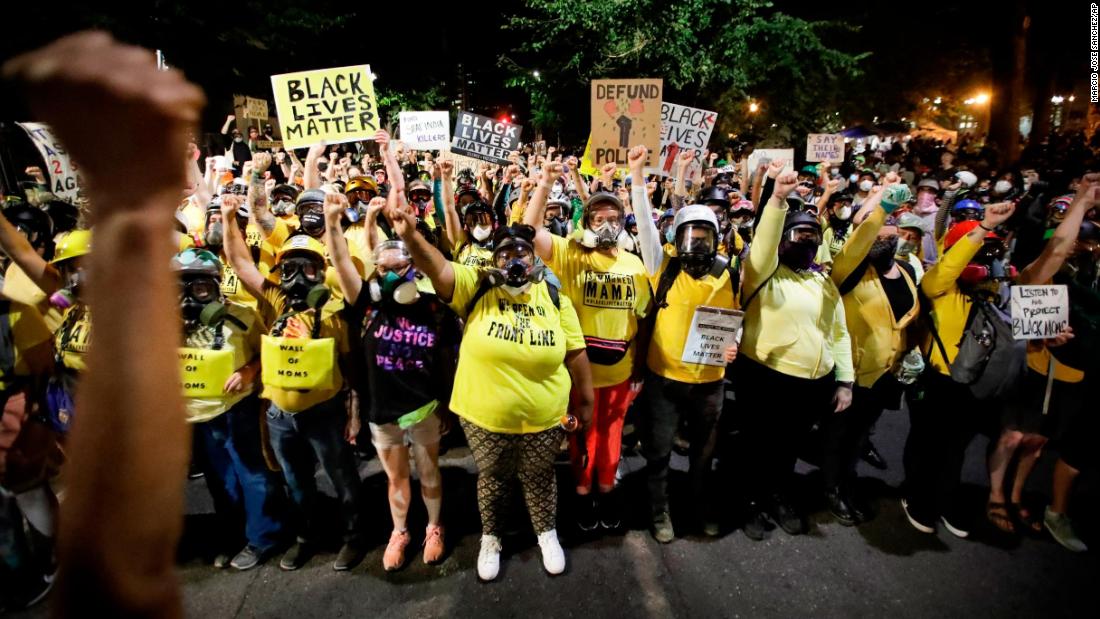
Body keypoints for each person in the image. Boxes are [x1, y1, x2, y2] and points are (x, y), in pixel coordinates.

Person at [3, 31, 206, 615]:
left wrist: (132, 203)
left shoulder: (117, 309)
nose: (78, 274)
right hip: (66, 409)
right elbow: (24, 257)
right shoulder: (65, 296)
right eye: (73, 268)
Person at [386, 192, 593, 581]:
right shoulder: (476, 286)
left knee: (539, 476)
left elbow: (576, 353)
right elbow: (439, 268)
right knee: (493, 479)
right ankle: (492, 537)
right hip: (485, 417)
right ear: (493, 262)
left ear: (535, 260)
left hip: (544, 416)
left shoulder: (552, 296)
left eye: (522, 254)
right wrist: (412, 239)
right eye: (504, 256)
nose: (514, 262)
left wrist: (586, 402)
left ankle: (546, 533)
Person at [222, 195, 366, 572]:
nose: (297, 276)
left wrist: (354, 413)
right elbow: (239, 261)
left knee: (341, 477)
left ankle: (354, 537)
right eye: (289, 267)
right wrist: (226, 219)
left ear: (322, 273)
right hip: (279, 414)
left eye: (308, 267)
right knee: (296, 481)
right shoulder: (272, 299)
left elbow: (351, 367)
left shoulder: (334, 312)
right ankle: (307, 537)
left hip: (325, 411)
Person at [322, 193, 455, 571]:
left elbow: (445, 361)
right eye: (384, 269)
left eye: (402, 267)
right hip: (382, 411)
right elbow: (343, 261)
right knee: (396, 477)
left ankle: (433, 526)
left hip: (424, 406)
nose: (393, 274)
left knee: (429, 469)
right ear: (376, 272)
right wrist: (333, 223)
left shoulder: (432, 309)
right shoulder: (366, 304)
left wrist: (447, 404)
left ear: (414, 269)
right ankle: (400, 531)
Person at [524, 161, 652, 532]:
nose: (606, 224)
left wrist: (638, 369)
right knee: (579, 435)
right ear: (587, 222)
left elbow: (642, 320)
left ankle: (607, 489)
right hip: (577, 375)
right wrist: (546, 183)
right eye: (598, 218)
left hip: (618, 371)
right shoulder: (572, 254)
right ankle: (581, 493)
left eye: (613, 217)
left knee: (611, 437)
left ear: (624, 222)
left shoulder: (635, 266)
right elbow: (530, 231)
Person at [735, 166, 855, 541]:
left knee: (788, 448)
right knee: (758, 444)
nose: (806, 241)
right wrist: (776, 198)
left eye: (812, 236)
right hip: (766, 376)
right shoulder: (764, 271)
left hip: (812, 383)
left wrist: (845, 380)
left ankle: (777, 495)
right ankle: (749, 502)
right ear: (785, 239)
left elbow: (838, 331)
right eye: (799, 234)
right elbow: (765, 239)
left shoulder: (822, 280)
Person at [628, 145, 739, 542]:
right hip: (665, 381)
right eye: (689, 235)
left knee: (703, 456)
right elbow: (642, 221)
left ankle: (699, 506)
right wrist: (637, 174)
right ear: (676, 237)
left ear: (716, 237)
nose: (696, 243)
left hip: (710, 383)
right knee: (658, 452)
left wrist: (734, 346)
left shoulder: (730, 272)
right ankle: (660, 513)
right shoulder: (664, 265)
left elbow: (735, 321)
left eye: (704, 235)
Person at [986, 183, 1098, 538]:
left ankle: (1018, 494)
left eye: (1088, 242)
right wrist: (1081, 202)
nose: (1078, 247)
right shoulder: (1042, 270)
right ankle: (996, 494)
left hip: (1074, 375)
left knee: (1037, 442)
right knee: (1013, 436)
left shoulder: (1090, 279)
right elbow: (1057, 249)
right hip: (1036, 367)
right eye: (1074, 241)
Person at [901, 201, 1016, 537]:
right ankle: (916, 496)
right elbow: (950, 266)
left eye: (989, 251)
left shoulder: (993, 294)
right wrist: (979, 231)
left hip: (975, 385)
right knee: (926, 442)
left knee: (956, 448)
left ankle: (944, 499)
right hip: (935, 379)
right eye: (978, 251)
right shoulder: (939, 283)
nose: (983, 258)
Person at [172, 248, 286, 570]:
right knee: (219, 480)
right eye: (179, 287)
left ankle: (263, 537)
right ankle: (234, 534)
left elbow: (269, 352)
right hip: (194, 416)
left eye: (199, 288)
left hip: (236, 410)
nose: (188, 297)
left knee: (251, 474)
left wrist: (249, 372)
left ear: (216, 285)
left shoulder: (242, 316)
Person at [821, 185, 915, 525]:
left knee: (860, 435)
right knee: (838, 435)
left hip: (886, 375)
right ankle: (831, 489)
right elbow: (861, 239)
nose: (877, 234)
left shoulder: (907, 272)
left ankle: (847, 480)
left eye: (886, 228)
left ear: (898, 235)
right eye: (873, 227)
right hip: (850, 373)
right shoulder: (852, 270)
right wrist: (880, 208)